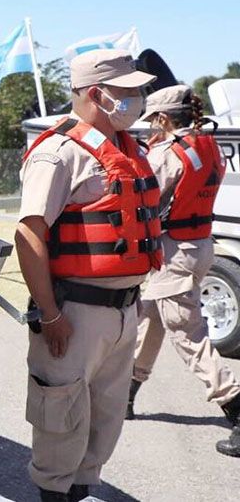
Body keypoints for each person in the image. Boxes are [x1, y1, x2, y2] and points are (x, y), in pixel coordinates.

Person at [15, 50, 161, 502]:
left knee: (103, 422)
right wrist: (51, 314)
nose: (137, 99)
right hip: (74, 311)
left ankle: (79, 492)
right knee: (61, 422)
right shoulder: (59, 154)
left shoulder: (127, 149)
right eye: (129, 91)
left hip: (123, 310)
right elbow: (28, 234)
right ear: (97, 94)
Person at [127, 85, 240, 457]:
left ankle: (236, 407)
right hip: (200, 244)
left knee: (187, 336)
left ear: (163, 118)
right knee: (152, 319)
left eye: (151, 123)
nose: (148, 131)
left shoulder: (167, 154)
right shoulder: (208, 145)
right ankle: (126, 395)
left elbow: (145, 199)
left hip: (174, 250)